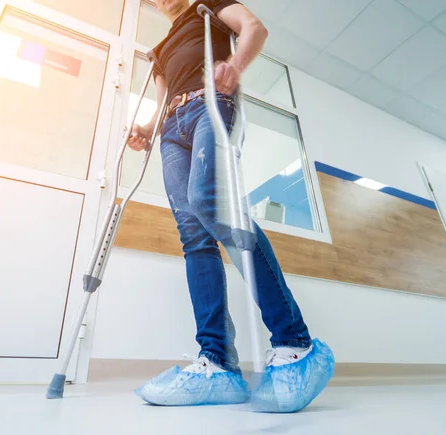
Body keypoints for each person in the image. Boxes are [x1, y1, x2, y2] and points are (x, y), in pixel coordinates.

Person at [128, 0, 334, 413]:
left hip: (211, 105)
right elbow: (163, 93)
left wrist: (235, 66)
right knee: (193, 237)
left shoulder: (209, 7)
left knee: (212, 204)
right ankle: (216, 361)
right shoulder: (161, 48)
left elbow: (255, 28)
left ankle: (295, 341)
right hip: (172, 128)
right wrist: (148, 128)